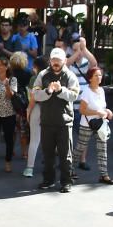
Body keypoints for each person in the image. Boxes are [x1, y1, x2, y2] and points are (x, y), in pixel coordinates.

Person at [34, 48, 81, 192]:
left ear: (64, 61)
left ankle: (66, 182)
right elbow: (35, 95)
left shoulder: (70, 75)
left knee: (65, 154)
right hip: (47, 121)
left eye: (59, 60)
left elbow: (74, 96)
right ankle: (48, 180)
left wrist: (61, 91)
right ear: (50, 60)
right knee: (47, 154)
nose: (56, 63)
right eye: (53, 60)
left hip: (64, 122)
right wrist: (48, 91)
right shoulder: (43, 75)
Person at [74, 68, 113, 184]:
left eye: (100, 75)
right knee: (80, 148)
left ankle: (104, 175)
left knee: (102, 149)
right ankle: (69, 169)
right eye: (96, 75)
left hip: (100, 124)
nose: (99, 78)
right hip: (87, 124)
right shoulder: (86, 91)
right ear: (90, 78)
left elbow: (101, 107)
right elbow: (82, 110)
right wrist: (97, 113)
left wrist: (107, 111)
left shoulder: (101, 90)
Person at [9, 51, 31, 161]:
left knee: (13, 131)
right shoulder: (28, 73)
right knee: (23, 131)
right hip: (25, 104)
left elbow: (12, 91)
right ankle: (24, 153)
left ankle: (11, 150)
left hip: (14, 104)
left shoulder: (12, 75)